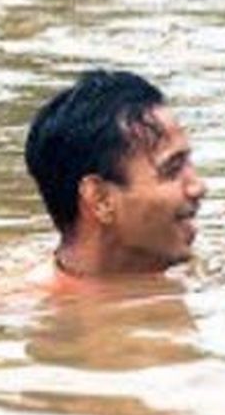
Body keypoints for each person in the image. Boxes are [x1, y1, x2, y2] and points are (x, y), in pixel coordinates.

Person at [25, 69, 206, 281]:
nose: (198, 187)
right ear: (100, 199)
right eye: (172, 170)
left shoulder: (204, 278)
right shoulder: (23, 308)